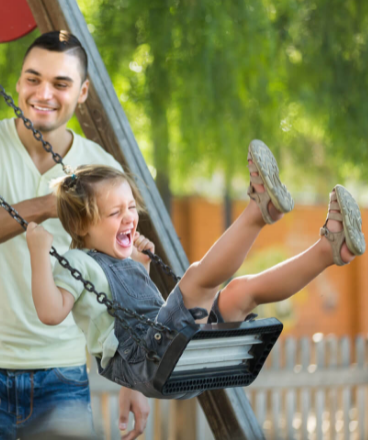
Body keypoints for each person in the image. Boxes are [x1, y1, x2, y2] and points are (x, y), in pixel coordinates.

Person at [26, 140, 365, 399]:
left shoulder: (117, 262)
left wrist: (140, 268)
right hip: (150, 362)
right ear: (82, 226)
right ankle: (260, 212)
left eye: (131, 206)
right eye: (116, 213)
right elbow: (50, 312)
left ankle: (330, 248)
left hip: (175, 357)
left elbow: (133, 311)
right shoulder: (80, 263)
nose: (130, 216)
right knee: (197, 280)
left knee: (239, 292)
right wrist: (39, 254)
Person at [0, 30, 149, 439]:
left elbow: (116, 282)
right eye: (33, 79)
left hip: (62, 376)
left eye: (61, 83)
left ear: (83, 91)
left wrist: (132, 381)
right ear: (18, 82)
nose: (43, 93)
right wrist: (49, 205)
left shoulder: (99, 165)